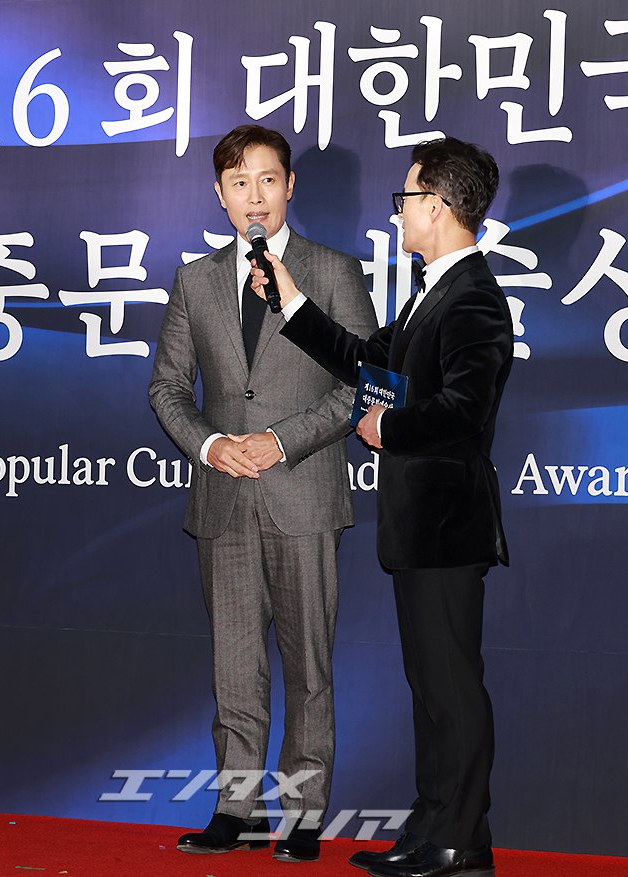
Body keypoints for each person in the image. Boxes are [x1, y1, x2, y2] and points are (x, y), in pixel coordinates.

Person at [250, 136, 511, 877]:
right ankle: (434, 830)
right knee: (430, 687)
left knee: (452, 688)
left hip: (447, 524)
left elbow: (466, 409)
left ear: (439, 205)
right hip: (419, 525)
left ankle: (461, 841)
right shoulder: (432, 290)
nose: (397, 212)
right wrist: (290, 301)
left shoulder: (473, 297)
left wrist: (386, 428)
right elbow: (367, 360)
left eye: (406, 197)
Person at [148, 124, 377, 862]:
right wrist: (212, 445)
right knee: (234, 666)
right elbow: (167, 387)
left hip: (303, 491)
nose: (255, 196)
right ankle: (236, 807)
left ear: (290, 187)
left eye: (268, 179)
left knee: (309, 667)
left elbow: (365, 385)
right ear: (220, 195)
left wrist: (282, 440)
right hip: (224, 496)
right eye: (239, 182)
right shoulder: (196, 281)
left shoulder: (333, 271)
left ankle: (304, 814)